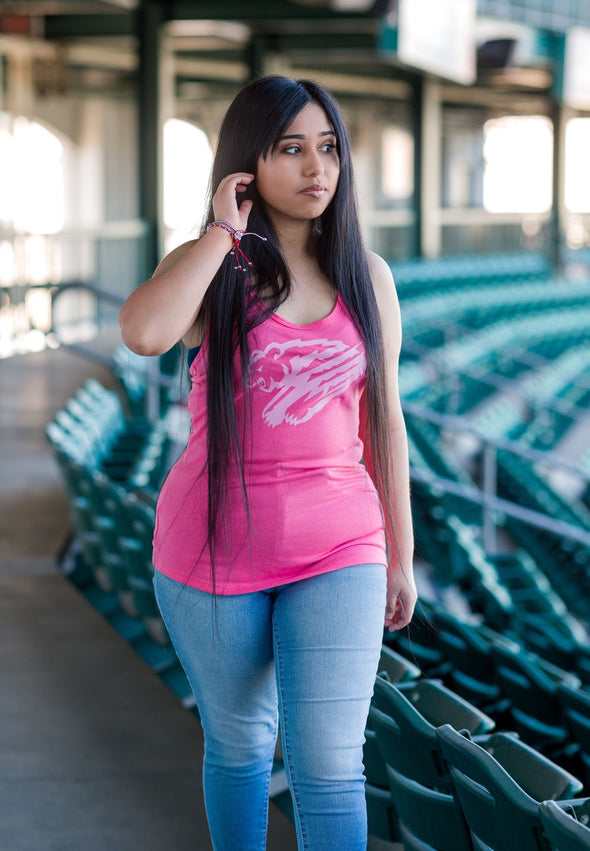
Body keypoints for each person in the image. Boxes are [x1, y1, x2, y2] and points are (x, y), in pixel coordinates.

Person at [119, 75, 416, 851]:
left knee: (328, 763)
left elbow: (384, 420)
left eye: (328, 148)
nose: (317, 168)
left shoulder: (367, 276)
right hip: (212, 544)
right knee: (243, 745)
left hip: (340, 544)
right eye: (291, 149)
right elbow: (145, 333)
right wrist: (222, 232)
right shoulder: (213, 270)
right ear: (247, 164)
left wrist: (401, 553)